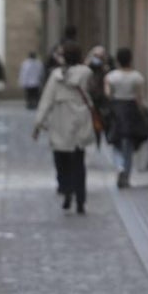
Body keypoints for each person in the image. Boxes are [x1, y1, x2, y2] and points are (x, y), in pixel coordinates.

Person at [32, 41, 95, 214]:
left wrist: (38, 124)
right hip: (80, 120)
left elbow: (46, 100)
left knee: (62, 160)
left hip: (61, 119)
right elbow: (92, 92)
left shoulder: (56, 76)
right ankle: (81, 200)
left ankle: (67, 191)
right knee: (79, 162)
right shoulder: (86, 74)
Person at [105, 47, 148, 188]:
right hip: (131, 110)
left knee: (116, 142)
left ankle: (119, 166)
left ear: (118, 60)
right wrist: (142, 112)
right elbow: (139, 98)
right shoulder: (137, 77)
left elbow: (108, 94)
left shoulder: (111, 77)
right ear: (130, 59)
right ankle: (126, 176)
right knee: (128, 145)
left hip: (117, 109)